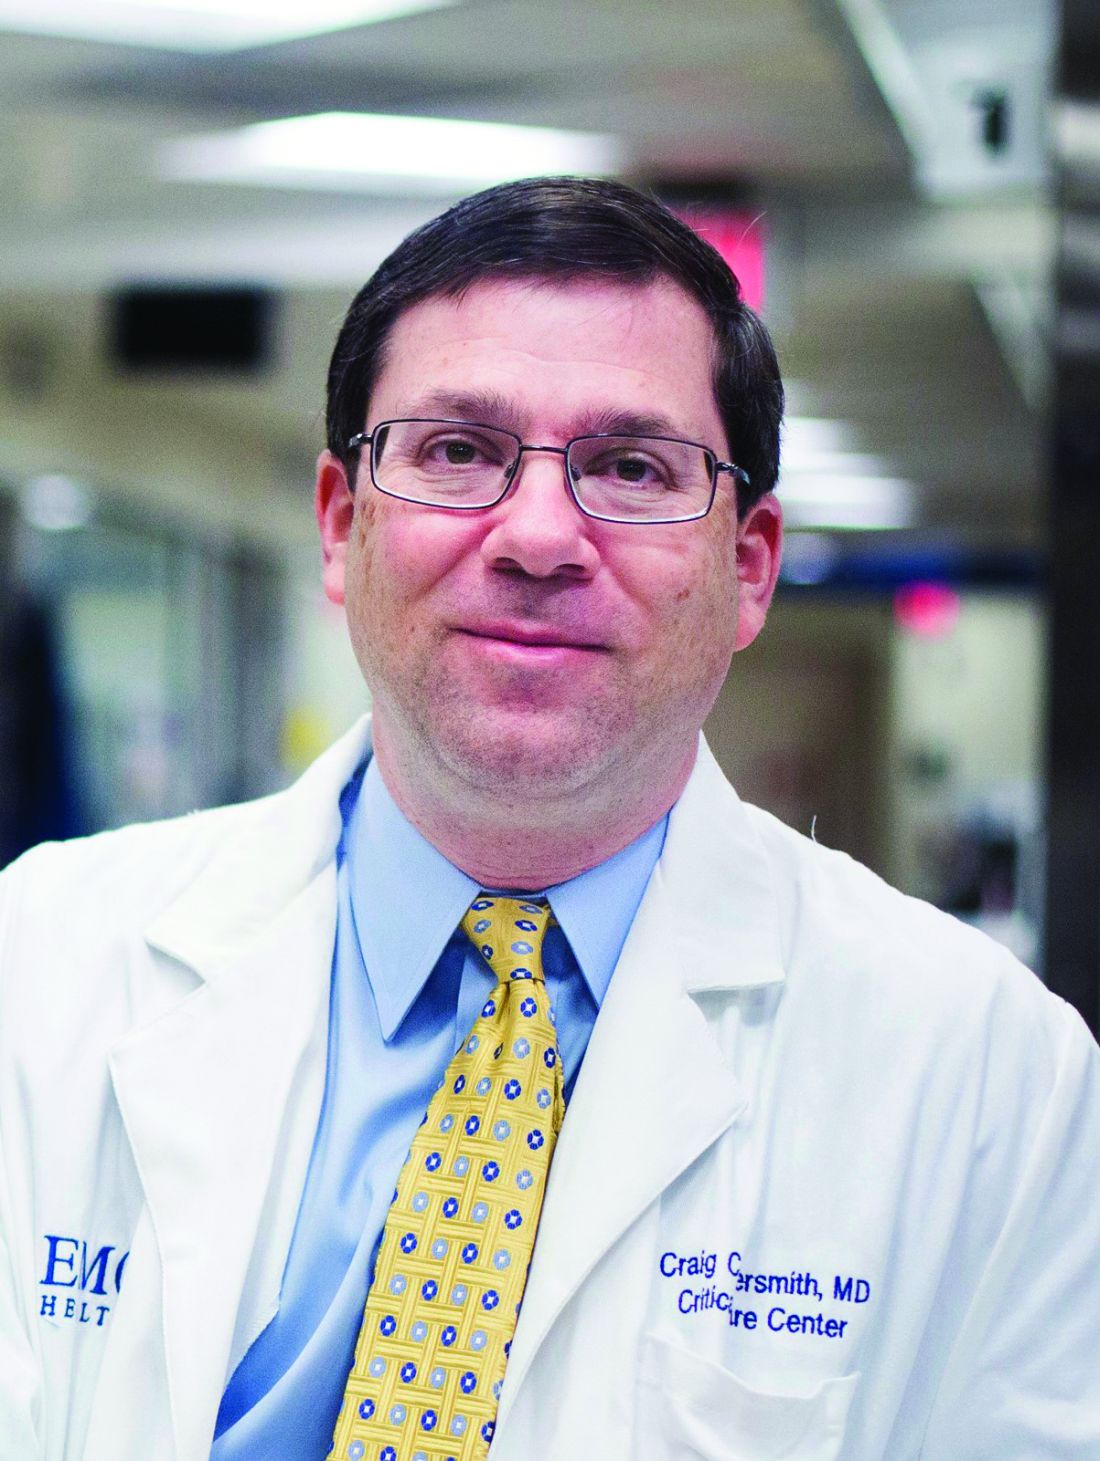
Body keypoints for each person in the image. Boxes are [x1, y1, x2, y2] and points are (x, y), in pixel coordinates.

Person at [0, 177, 1097, 1461]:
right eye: (458, 451)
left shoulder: (988, 1074)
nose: (535, 536)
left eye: (628, 468)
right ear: (342, 526)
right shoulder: (40, 964)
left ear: (746, 568)